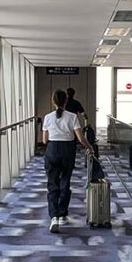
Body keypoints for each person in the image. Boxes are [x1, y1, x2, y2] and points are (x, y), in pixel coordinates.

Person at [42, 89, 91, 233]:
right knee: (65, 181)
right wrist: (90, 147)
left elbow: (44, 140)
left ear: (53, 101)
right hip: (67, 150)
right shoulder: (72, 117)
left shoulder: (47, 117)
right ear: (66, 101)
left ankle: (54, 217)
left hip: (52, 149)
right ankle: (62, 213)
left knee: (52, 183)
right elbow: (80, 138)